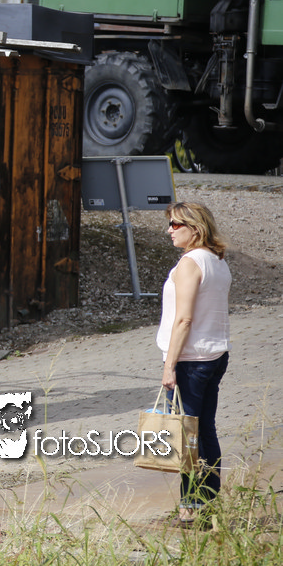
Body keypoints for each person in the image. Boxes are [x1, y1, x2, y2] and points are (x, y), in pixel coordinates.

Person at [156, 201, 231, 527]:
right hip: (215, 355)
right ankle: (208, 504)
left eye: (176, 225)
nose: (169, 230)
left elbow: (184, 319)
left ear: (195, 228)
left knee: (187, 439)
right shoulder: (217, 260)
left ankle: (191, 509)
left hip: (190, 360)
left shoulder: (190, 263)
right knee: (205, 431)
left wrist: (169, 365)